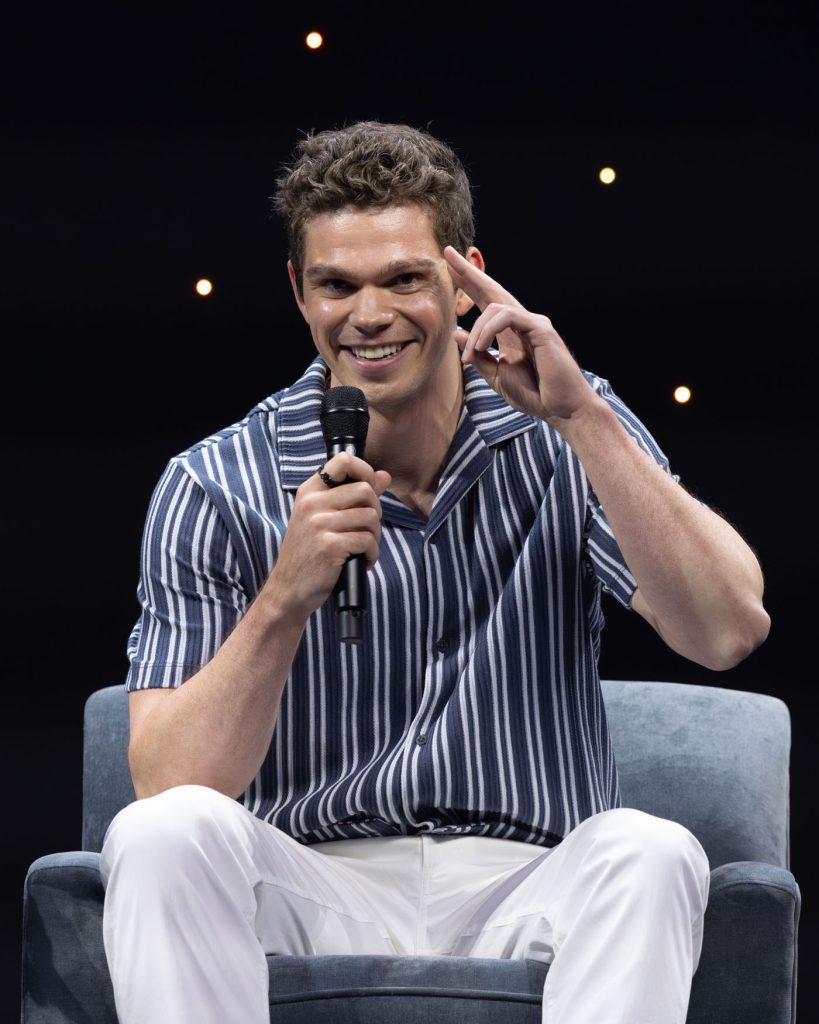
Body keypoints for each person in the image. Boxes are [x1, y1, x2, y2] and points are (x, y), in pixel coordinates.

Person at [100, 120, 770, 1024]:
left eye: (404, 279)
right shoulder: (216, 482)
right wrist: (284, 597)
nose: (368, 315)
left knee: (650, 851)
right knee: (161, 832)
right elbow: (170, 781)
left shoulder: (563, 426)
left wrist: (582, 420)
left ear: (464, 282)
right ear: (299, 293)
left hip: (528, 879)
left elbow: (728, 630)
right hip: (311, 879)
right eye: (337, 284)